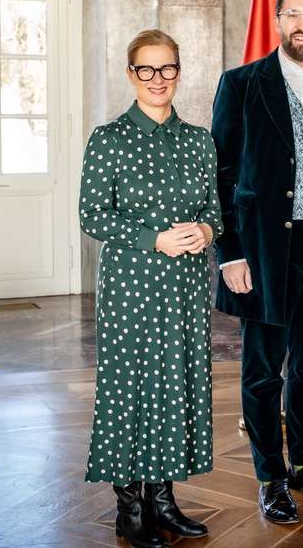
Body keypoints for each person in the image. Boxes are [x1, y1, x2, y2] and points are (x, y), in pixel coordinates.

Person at [211, 0, 303, 524]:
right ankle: (270, 478)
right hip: (266, 249)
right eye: (292, 13)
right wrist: (230, 252)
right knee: (263, 369)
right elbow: (219, 175)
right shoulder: (242, 84)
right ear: (277, 21)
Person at [80, 29, 222, 547]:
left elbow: (214, 210)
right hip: (131, 284)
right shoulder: (109, 138)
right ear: (130, 74)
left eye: (167, 69)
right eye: (147, 69)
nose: (157, 79)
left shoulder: (199, 140)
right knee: (130, 388)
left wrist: (207, 231)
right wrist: (153, 239)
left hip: (185, 286)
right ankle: (129, 506)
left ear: (179, 73)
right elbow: (91, 215)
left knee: (175, 383)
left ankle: (162, 498)